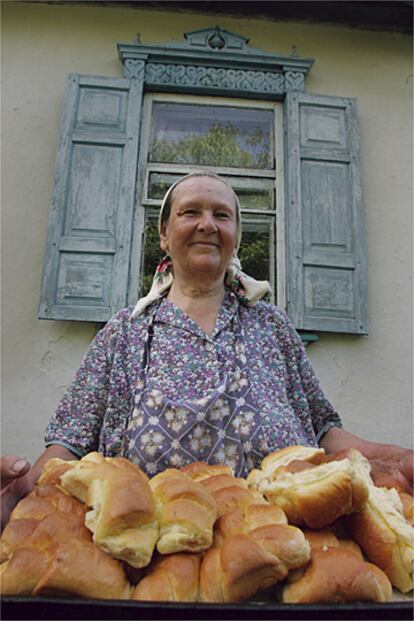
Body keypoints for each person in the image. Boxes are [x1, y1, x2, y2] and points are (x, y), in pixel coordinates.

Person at [1, 172, 413, 531]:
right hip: (151, 549)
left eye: (221, 215)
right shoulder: (123, 333)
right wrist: (19, 491)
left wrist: (397, 460)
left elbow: (323, 431)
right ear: (164, 235)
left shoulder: (273, 326)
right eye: (190, 212)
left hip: (282, 541)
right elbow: (69, 445)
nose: (207, 225)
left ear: (236, 236)